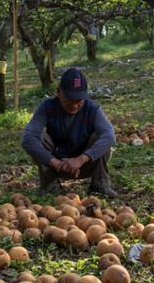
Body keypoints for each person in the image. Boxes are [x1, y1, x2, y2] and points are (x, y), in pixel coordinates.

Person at [21, 67, 118, 197]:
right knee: (39, 137)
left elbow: (109, 136)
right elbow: (27, 139)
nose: (74, 105)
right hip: (55, 164)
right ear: (58, 92)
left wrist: (80, 159)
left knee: (101, 137)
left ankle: (99, 185)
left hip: (85, 164)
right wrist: (56, 162)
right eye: (69, 100)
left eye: (79, 101)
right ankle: (50, 186)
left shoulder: (93, 109)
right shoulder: (47, 107)